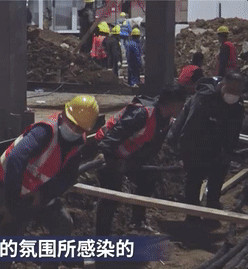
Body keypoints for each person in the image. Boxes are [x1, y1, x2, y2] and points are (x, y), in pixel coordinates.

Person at [0, 95, 99, 238]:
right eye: (71, 123)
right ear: (64, 114)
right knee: (8, 233)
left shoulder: (77, 144)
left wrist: (43, 194)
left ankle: (50, 259)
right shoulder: (44, 132)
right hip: (5, 186)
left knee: (62, 223)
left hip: (34, 191)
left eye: (79, 128)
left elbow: (68, 176)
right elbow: (16, 160)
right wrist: (13, 205)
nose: (73, 130)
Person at [95, 85, 187, 235]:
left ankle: (138, 221)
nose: (182, 109)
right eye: (181, 105)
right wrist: (112, 161)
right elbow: (109, 139)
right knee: (111, 195)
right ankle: (101, 236)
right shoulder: (142, 114)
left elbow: (152, 146)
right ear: (173, 104)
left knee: (148, 178)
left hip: (130, 157)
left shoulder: (165, 120)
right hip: (108, 155)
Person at [169, 72, 245, 220]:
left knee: (217, 177)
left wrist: (228, 152)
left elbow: (234, 131)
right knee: (195, 177)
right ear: (223, 85)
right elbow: (189, 128)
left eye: (237, 92)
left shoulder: (238, 105)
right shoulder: (204, 99)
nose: (233, 95)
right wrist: (184, 154)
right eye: (230, 90)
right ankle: (192, 215)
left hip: (217, 145)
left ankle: (212, 210)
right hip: (196, 142)